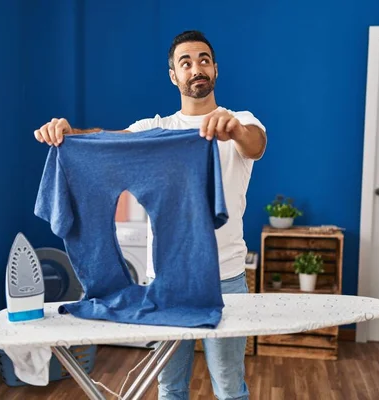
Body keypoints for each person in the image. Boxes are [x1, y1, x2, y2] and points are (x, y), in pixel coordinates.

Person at [34, 30, 266, 400]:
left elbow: (255, 144)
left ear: (216, 69)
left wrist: (233, 127)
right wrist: (68, 134)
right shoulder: (154, 130)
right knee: (169, 386)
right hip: (166, 283)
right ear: (174, 75)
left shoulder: (240, 121)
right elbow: (105, 141)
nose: (196, 68)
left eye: (204, 60)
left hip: (226, 276)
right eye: (185, 63)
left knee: (228, 385)